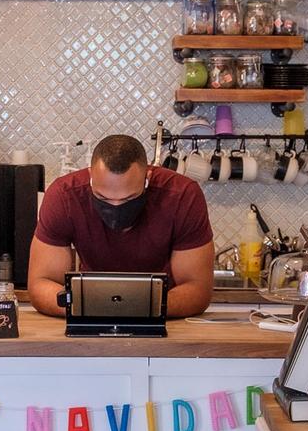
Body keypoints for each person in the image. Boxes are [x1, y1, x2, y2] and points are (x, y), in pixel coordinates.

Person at [28, 134, 215, 319]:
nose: (116, 207)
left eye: (129, 198)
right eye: (103, 198)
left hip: (164, 319)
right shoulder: (64, 196)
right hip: (92, 318)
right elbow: (41, 283)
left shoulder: (183, 196)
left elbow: (197, 290)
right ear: (90, 176)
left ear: (147, 177)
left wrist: (122, 307)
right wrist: (97, 307)